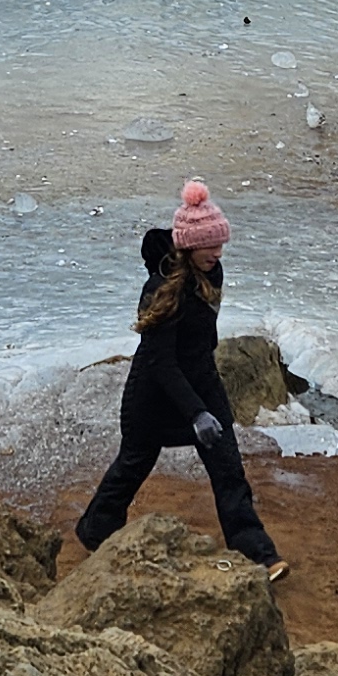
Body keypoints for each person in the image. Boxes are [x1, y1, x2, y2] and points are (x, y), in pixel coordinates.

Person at [73, 180, 284, 573]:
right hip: (154, 394)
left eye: (221, 244)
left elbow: (201, 340)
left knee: (228, 468)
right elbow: (161, 362)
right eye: (210, 245)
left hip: (202, 382)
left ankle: (258, 553)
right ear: (189, 245)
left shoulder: (213, 272)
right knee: (133, 463)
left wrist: (210, 404)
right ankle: (96, 532)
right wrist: (195, 413)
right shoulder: (161, 291)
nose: (218, 253)